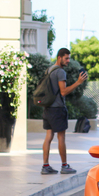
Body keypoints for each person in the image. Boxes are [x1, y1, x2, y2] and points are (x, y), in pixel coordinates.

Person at [41, 47, 88, 175]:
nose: (68, 61)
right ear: (59, 57)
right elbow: (63, 92)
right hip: (57, 109)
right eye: (66, 58)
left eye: (69, 58)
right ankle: (64, 165)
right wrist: (78, 82)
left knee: (49, 136)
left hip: (47, 107)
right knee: (61, 137)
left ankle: (45, 166)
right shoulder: (60, 72)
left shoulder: (48, 70)